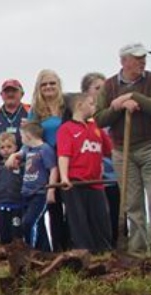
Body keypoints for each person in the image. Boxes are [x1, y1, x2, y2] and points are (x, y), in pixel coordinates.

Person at [95, 42, 151, 254]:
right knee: (132, 204)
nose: (142, 62)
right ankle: (137, 251)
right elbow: (99, 119)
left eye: (144, 57)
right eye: (137, 58)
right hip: (122, 151)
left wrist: (132, 97)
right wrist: (117, 106)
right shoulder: (109, 86)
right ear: (124, 61)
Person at [58, 94, 115, 254]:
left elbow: (109, 150)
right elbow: (63, 155)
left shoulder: (96, 128)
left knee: (101, 219)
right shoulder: (67, 129)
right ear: (80, 105)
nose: (94, 107)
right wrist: (64, 178)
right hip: (75, 182)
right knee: (79, 220)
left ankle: (103, 252)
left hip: (96, 183)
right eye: (91, 104)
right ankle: (83, 252)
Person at [30, 70, 71, 251]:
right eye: (44, 84)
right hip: (48, 162)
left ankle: (73, 245)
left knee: (71, 205)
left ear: (59, 85)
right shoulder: (35, 111)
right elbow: (29, 137)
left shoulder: (68, 106)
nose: (48, 87)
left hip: (70, 160)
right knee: (53, 207)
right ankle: (57, 249)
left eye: (52, 83)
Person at [14, 121, 58, 252]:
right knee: (36, 224)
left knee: (29, 222)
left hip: (39, 193)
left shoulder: (45, 149)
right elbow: (19, 154)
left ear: (28, 136)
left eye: (22, 137)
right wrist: (12, 156)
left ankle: (29, 250)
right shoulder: (28, 149)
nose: (21, 140)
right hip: (26, 192)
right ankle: (44, 251)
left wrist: (51, 190)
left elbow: (53, 169)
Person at [82, 72, 114, 248]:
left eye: (104, 88)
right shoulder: (82, 119)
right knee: (96, 219)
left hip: (114, 174)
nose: (102, 92)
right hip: (93, 178)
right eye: (97, 88)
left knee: (115, 216)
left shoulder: (112, 114)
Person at [0, 133, 24, 244]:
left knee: (17, 232)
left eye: (9, 147)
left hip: (17, 204)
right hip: (1, 204)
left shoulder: (20, 165)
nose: (6, 150)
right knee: (3, 232)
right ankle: (4, 254)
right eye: (2, 147)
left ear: (15, 147)